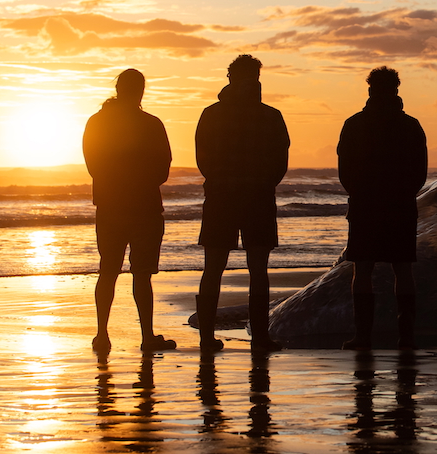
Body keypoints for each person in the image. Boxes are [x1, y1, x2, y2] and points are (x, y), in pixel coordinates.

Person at [195, 54, 289, 353]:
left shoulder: (212, 114)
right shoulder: (270, 116)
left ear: (229, 78)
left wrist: (223, 179)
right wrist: (262, 183)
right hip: (255, 197)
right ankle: (259, 338)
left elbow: (203, 159)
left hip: (224, 196)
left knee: (215, 268)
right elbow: (280, 162)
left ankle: (208, 338)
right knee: (256, 268)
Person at [83, 68, 176, 353]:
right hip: (144, 207)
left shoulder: (97, 122)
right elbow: (163, 169)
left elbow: (93, 167)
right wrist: (139, 181)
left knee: (108, 270)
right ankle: (146, 336)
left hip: (110, 206)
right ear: (140, 92)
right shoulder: (150, 124)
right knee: (142, 274)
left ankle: (102, 335)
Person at [337, 66, 428, 351]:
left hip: (366, 204)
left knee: (362, 270)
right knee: (403, 270)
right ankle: (406, 336)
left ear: (370, 90)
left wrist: (359, 193)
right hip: (400, 205)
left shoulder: (354, 124)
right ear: (396, 90)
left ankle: (363, 336)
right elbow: (420, 172)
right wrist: (404, 194)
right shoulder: (411, 125)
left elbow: (345, 171)